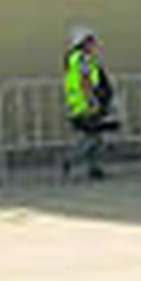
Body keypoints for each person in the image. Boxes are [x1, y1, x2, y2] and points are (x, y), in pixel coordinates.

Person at [62, 24, 114, 180]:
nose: (93, 44)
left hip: (80, 104)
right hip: (85, 104)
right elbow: (85, 80)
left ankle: (94, 168)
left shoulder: (75, 58)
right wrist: (92, 100)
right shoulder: (81, 58)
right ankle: (70, 159)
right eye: (90, 41)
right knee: (92, 138)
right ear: (81, 42)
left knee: (95, 137)